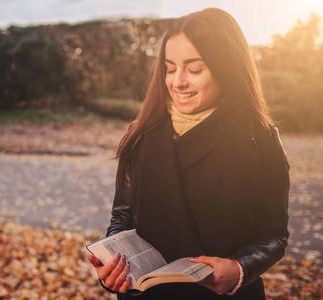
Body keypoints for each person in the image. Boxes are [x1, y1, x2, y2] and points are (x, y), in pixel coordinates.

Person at [88, 7, 290, 300]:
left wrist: (240, 268)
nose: (177, 81)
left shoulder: (260, 138)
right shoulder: (141, 131)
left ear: (226, 68)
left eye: (195, 69)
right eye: (170, 68)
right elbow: (122, 218)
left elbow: (274, 234)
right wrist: (115, 266)